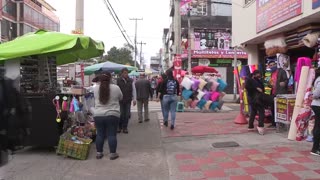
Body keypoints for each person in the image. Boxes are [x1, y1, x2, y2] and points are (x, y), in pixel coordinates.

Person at [91, 72, 123, 160]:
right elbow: (121, 98)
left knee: (100, 134)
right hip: (112, 114)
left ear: (100, 79)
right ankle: (113, 154)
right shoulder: (116, 88)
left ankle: (99, 153)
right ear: (110, 78)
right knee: (111, 134)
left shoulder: (95, 88)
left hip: (98, 114)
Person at [268, 60, 288, 128]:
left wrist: (284, 83)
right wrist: (269, 85)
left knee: (280, 109)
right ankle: (273, 123)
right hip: (273, 93)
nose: (272, 66)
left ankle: (281, 124)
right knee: (273, 108)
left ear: (276, 65)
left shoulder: (281, 71)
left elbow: (286, 79)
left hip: (280, 93)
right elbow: (269, 83)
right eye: (271, 65)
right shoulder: (271, 73)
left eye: (273, 64)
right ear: (269, 66)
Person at [245, 70, 266, 135]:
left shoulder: (258, 80)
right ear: (254, 74)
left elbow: (262, 88)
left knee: (253, 112)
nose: (259, 76)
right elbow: (247, 87)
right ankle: (260, 126)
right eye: (258, 75)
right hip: (254, 99)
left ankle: (250, 125)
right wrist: (256, 88)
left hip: (257, 98)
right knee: (261, 111)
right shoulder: (249, 80)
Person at [116, 68, 136, 134]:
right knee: (121, 114)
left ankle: (125, 127)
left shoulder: (131, 80)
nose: (125, 74)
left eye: (126, 73)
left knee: (127, 115)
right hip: (120, 100)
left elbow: (133, 90)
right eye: (124, 73)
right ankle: (119, 127)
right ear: (121, 73)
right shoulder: (118, 80)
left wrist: (134, 99)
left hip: (128, 100)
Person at [310, 68, 320, 156]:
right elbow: (316, 94)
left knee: (317, 125)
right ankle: (315, 148)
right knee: (318, 126)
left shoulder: (317, 79)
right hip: (318, 105)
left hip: (316, 104)